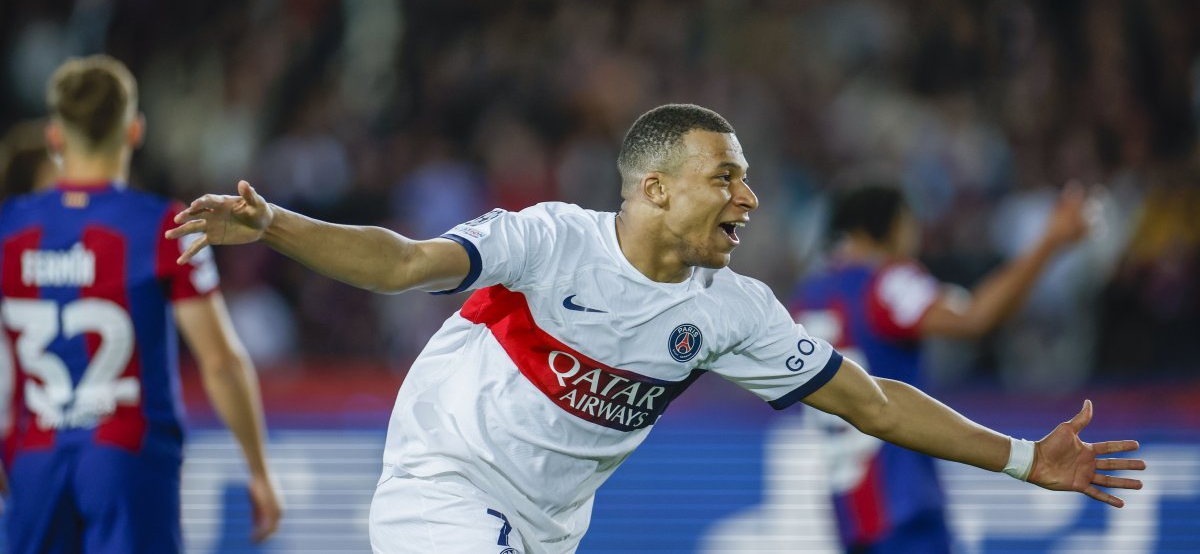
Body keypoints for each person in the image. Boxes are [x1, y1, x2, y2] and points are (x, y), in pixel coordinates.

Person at [169, 103, 1143, 554]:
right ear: (654, 187)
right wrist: (277, 224)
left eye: (749, 178)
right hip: (445, 492)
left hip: (546, 533)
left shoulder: (732, 314)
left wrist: (1023, 459)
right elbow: (402, 262)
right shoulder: (548, 242)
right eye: (728, 177)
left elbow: (874, 402)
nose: (750, 197)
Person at [0, 56, 282, 552]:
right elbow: (220, 361)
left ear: (55, 136)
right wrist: (258, 470)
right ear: (134, 130)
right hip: (126, 457)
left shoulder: (9, 228)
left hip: (34, 456)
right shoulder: (162, 226)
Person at [789, 183, 1093, 553]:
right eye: (908, 223)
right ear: (882, 227)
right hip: (904, 509)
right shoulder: (886, 282)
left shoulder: (808, 297)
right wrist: (1051, 241)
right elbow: (975, 318)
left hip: (853, 517)